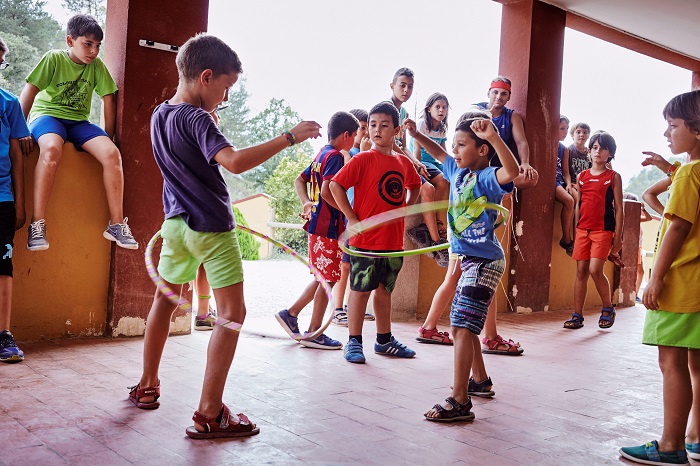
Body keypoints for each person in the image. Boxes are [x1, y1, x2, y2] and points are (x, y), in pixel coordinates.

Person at [128, 34, 320, 439]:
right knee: (232, 315)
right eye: (225, 88)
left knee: (165, 302)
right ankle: (210, 411)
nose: (225, 97)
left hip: (175, 226)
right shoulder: (197, 119)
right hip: (211, 227)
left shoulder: (161, 114)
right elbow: (231, 162)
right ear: (206, 76)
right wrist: (290, 137)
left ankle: (147, 386)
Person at [406, 110, 519, 422]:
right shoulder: (454, 170)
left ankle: (459, 400)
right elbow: (438, 151)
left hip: (484, 262)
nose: (454, 151)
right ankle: (479, 380)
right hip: (469, 261)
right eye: (454, 145)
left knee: (459, 326)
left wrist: (494, 136)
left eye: (461, 145)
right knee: (466, 326)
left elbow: (511, 171)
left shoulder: (486, 178)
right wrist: (416, 136)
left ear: (481, 149)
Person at [619, 90, 700, 466]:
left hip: (682, 284)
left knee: (672, 363)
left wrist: (655, 278)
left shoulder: (689, 173)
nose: (667, 133)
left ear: (696, 131)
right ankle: (696, 438)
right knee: (697, 364)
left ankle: (671, 446)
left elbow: (677, 229)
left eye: (673, 126)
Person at [18, 14, 137, 251]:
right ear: (70, 41)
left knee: (112, 154)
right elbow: (29, 92)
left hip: (78, 123)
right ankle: (37, 223)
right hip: (47, 117)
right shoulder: (54, 58)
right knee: (51, 149)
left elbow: (108, 98)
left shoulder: (96, 67)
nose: (94, 51)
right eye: (88, 44)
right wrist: (19, 129)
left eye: (98, 46)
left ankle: (115, 224)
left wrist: (108, 137)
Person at [330, 102, 421, 364]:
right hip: (365, 241)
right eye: (372, 125)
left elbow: (414, 185)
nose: (377, 130)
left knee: (384, 290)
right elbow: (336, 186)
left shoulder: (404, 162)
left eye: (384, 125)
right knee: (360, 290)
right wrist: (352, 218)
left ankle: (384, 340)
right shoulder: (362, 159)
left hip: (392, 241)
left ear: (396, 131)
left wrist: (406, 208)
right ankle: (354, 342)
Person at [275, 111, 359, 349]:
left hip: (317, 227)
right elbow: (327, 191)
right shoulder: (335, 157)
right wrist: (348, 215)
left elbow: (299, 180)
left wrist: (305, 202)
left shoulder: (320, 154)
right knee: (327, 279)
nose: (353, 142)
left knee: (325, 278)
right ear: (345, 135)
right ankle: (311, 329)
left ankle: (295, 318)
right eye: (354, 136)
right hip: (327, 228)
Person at [563, 131, 623, 330]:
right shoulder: (582, 176)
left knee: (595, 270)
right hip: (583, 230)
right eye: (594, 147)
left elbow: (620, 208)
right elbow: (578, 205)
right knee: (581, 271)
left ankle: (607, 307)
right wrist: (574, 230)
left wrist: (618, 240)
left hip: (603, 230)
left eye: (603, 148)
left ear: (610, 153)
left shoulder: (613, 177)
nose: (598, 151)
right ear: (589, 151)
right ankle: (577, 315)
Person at [332, 108, 374, 326]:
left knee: (356, 264)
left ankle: (350, 306)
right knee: (345, 265)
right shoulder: (348, 154)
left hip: (361, 216)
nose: (366, 134)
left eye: (368, 128)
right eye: (363, 129)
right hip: (349, 217)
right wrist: (358, 152)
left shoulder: (365, 154)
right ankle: (338, 308)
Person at [0, 37, 28, 363]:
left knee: (3, 265)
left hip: (3, 200)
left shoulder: (9, 103)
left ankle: (4, 334)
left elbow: (17, 154)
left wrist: (20, 203)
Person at [406, 92, 451, 267]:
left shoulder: (442, 129)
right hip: (423, 162)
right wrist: (418, 169)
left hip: (434, 163)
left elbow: (443, 153)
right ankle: (434, 219)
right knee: (441, 181)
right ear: (429, 109)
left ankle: (436, 216)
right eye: (437, 107)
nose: (441, 110)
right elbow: (416, 150)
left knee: (447, 179)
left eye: (444, 107)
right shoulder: (422, 125)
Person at [475, 76, 538, 189]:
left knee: (531, 177)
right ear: (488, 93)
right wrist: (487, 116)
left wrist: (525, 162)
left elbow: (521, 142)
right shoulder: (475, 110)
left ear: (509, 97)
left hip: (498, 170)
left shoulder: (512, 116)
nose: (499, 97)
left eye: (504, 94)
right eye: (495, 92)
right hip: (476, 166)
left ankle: (491, 188)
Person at [555, 115, 575, 255]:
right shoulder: (546, 145)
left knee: (579, 199)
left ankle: (578, 237)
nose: (565, 132)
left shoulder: (564, 149)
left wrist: (568, 184)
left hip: (562, 182)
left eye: (567, 129)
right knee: (569, 200)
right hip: (552, 183)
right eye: (562, 128)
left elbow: (566, 172)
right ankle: (566, 239)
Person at [567, 122, 590, 228]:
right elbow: (565, 170)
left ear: (588, 136)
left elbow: (591, 171)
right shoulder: (569, 150)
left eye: (585, 132)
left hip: (585, 185)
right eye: (578, 132)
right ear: (572, 135)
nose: (582, 135)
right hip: (571, 184)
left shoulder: (589, 153)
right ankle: (577, 234)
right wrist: (572, 184)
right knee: (580, 202)